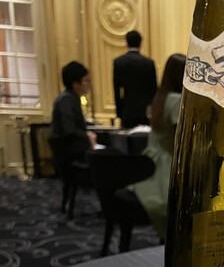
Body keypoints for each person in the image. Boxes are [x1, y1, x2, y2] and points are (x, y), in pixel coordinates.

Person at [114, 53, 186, 241]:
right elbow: (181, 141)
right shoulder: (177, 100)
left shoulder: (159, 98)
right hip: (167, 164)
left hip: (151, 160)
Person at [50, 61, 97, 162]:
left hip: (72, 151)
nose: (90, 85)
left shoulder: (71, 98)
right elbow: (69, 130)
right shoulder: (66, 100)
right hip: (70, 155)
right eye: (86, 81)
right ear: (75, 84)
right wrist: (87, 135)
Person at [113, 30, 157, 129]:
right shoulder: (148, 63)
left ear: (127, 42)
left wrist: (119, 113)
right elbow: (153, 90)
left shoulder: (119, 62)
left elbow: (117, 89)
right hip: (144, 110)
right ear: (140, 43)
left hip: (127, 110)